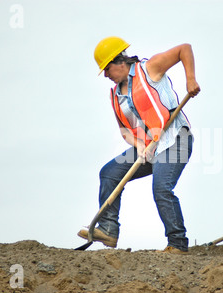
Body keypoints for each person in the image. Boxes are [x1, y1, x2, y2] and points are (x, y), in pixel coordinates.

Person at [78, 36, 200, 254]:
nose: (105, 75)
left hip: (174, 138)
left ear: (119, 62)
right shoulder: (115, 95)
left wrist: (190, 80)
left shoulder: (149, 69)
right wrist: (140, 147)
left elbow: (184, 49)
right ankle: (108, 228)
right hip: (149, 148)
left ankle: (178, 244)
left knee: (161, 188)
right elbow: (125, 130)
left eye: (107, 69)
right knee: (109, 173)